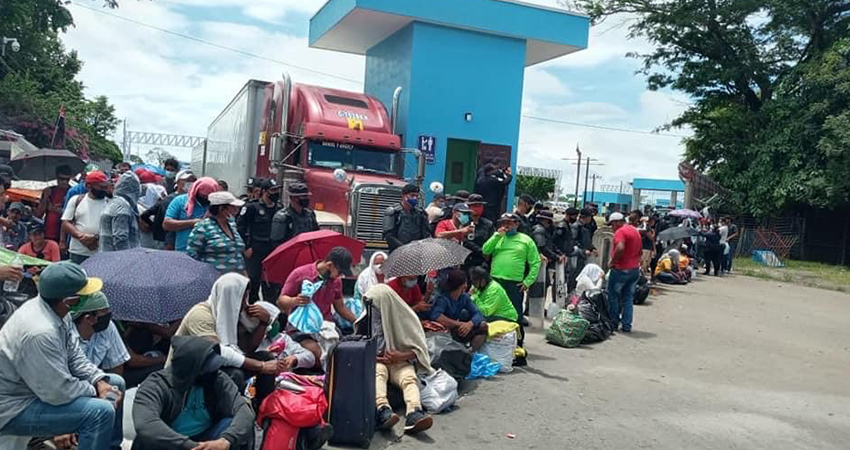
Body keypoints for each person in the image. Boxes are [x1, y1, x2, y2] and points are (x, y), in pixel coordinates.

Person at [0, 262, 124, 450]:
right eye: (82, 294)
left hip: (39, 390)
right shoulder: (40, 332)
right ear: (68, 300)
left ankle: (110, 447)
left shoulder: (58, 310)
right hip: (14, 407)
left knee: (115, 382)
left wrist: (99, 381)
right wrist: (96, 391)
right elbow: (58, 392)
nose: (87, 297)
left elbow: (74, 356)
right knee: (101, 411)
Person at [172, 273, 300, 409]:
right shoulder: (200, 315)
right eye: (241, 298)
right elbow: (219, 352)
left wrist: (263, 322)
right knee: (235, 375)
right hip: (191, 372)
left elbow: (247, 349)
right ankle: (228, 414)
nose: (245, 304)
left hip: (216, 367)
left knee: (266, 356)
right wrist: (261, 366)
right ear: (230, 298)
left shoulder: (232, 315)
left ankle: (264, 408)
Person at [132, 336, 255, 450]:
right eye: (207, 368)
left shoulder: (217, 379)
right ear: (191, 369)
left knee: (240, 427)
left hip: (208, 438)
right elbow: (146, 424)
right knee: (148, 439)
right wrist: (191, 446)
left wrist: (226, 440)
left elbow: (243, 410)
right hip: (171, 443)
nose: (212, 371)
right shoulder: (156, 386)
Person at [368, 284, 434, 434]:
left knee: (409, 378)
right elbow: (360, 345)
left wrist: (400, 356)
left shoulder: (405, 318)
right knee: (378, 375)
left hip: (400, 361)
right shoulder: (367, 319)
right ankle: (383, 410)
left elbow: (419, 349)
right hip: (378, 362)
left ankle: (414, 413)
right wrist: (375, 357)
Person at [278, 247, 357, 364]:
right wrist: (295, 300)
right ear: (330, 265)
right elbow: (281, 300)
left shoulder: (336, 282)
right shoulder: (300, 274)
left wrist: (357, 321)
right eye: (339, 272)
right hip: (300, 329)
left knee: (338, 353)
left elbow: (340, 307)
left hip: (326, 327)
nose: (339, 276)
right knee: (317, 354)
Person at [482, 213, 540, 347]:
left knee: (515, 314)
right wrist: (496, 236)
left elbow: (535, 262)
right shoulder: (498, 237)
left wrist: (528, 281)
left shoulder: (526, 240)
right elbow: (485, 250)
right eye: (503, 223)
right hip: (496, 281)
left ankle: (517, 344)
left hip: (514, 283)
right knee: (493, 311)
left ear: (516, 224)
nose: (506, 225)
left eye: (509, 222)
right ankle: (493, 341)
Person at [237, 179, 283, 302]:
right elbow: (240, 228)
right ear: (264, 191)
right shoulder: (252, 207)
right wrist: (246, 248)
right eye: (272, 190)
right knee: (253, 282)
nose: (276, 193)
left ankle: (269, 310)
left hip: (273, 250)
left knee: (271, 284)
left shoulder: (279, 208)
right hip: (255, 250)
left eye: (277, 190)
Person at [187, 192, 247, 274]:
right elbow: (192, 254)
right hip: (213, 277)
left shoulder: (232, 225)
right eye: (233, 207)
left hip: (236, 277)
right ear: (221, 208)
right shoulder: (203, 226)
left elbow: (237, 254)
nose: (236, 210)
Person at [429, 269, 488, 351]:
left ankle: (472, 352)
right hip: (445, 330)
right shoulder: (443, 298)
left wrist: (470, 324)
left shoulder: (464, 297)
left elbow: (478, 313)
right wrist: (460, 324)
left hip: (458, 327)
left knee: (483, 326)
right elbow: (436, 316)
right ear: (462, 286)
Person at [62, 171, 111, 264]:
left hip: (101, 252)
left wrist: (95, 238)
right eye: (101, 187)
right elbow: (66, 223)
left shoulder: (111, 203)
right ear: (89, 186)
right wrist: (82, 237)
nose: (104, 190)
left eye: (106, 187)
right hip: (78, 251)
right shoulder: (76, 200)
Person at [142, 169, 196, 250]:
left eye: (192, 181)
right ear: (178, 182)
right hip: (168, 242)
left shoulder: (193, 199)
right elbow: (146, 215)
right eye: (187, 180)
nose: (190, 183)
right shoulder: (170, 199)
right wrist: (154, 228)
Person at [606, 212, 642, 333]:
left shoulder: (620, 232)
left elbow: (620, 248)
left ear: (617, 222)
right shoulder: (635, 231)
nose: (612, 227)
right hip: (634, 269)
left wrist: (613, 262)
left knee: (613, 295)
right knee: (628, 298)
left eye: (612, 224)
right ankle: (627, 325)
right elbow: (640, 251)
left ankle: (614, 323)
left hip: (621, 269)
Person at [164, 176, 219, 252]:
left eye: (208, 197)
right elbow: (166, 224)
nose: (205, 199)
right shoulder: (180, 201)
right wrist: (192, 223)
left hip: (210, 253)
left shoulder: (218, 206)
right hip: (183, 251)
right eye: (202, 196)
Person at [99, 171, 142, 252]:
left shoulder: (112, 202)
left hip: (107, 254)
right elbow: (120, 237)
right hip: (118, 256)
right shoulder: (123, 206)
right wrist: (126, 257)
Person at [383, 184, 430, 252]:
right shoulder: (394, 212)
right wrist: (403, 248)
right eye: (412, 195)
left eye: (417, 196)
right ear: (403, 196)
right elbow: (389, 236)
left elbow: (426, 234)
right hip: (397, 251)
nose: (415, 198)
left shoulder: (421, 213)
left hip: (417, 251)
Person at [35, 164, 72, 244]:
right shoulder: (50, 191)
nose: (64, 182)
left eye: (67, 179)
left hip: (64, 236)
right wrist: (45, 198)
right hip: (47, 233)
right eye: (62, 179)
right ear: (57, 178)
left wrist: (55, 209)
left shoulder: (72, 192)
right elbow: (39, 214)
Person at [463, 194, 495, 270]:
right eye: (474, 206)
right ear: (469, 207)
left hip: (484, 262)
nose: (477, 208)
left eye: (480, 206)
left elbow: (492, 239)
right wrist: (481, 251)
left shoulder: (488, 224)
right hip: (467, 260)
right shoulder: (464, 222)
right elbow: (465, 241)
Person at [568, 208, 596, 293]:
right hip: (576, 256)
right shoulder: (576, 227)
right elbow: (573, 242)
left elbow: (586, 241)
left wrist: (592, 248)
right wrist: (583, 251)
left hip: (582, 257)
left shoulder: (585, 227)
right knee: (573, 276)